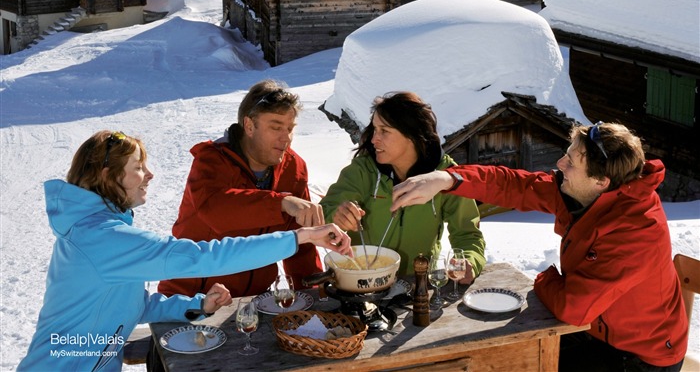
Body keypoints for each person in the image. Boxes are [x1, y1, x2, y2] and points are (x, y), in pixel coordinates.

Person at [18, 130, 351, 372]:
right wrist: (300, 237)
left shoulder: (98, 231)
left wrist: (197, 306)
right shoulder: (104, 238)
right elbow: (204, 256)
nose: (150, 174)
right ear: (108, 176)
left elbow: (131, 305)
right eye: (138, 167)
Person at [390, 121, 688, 371]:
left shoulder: (635, 231)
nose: (560, 165)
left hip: (639, 356)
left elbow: (573, 308)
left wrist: (544, 279)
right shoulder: (584, 192)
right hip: (594, 329)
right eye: (566, 154)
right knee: (506, 358)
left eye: (571, 162)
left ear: (601, 182)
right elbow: (513, 185)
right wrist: (448, 179)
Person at [158, 80, 327, 299]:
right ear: (249, 126)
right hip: (189, 298)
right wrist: (281, 202)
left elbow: (300, 243)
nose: (286, 138)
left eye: (290, 128)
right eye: (276, 127)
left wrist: (312, 296)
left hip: (253, 300)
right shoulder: (211, 160)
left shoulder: (294, 168)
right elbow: (216, 211)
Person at [321, 92, 485, 279]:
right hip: (362, 280)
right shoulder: (362, 171)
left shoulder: (444, 177)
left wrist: (469, 261)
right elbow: (324, 212)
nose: (374, 139)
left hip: (417, 282)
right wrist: (336, 215)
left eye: (384, 131)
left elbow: (467, 234)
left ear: (412, 135)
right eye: (374, 129)